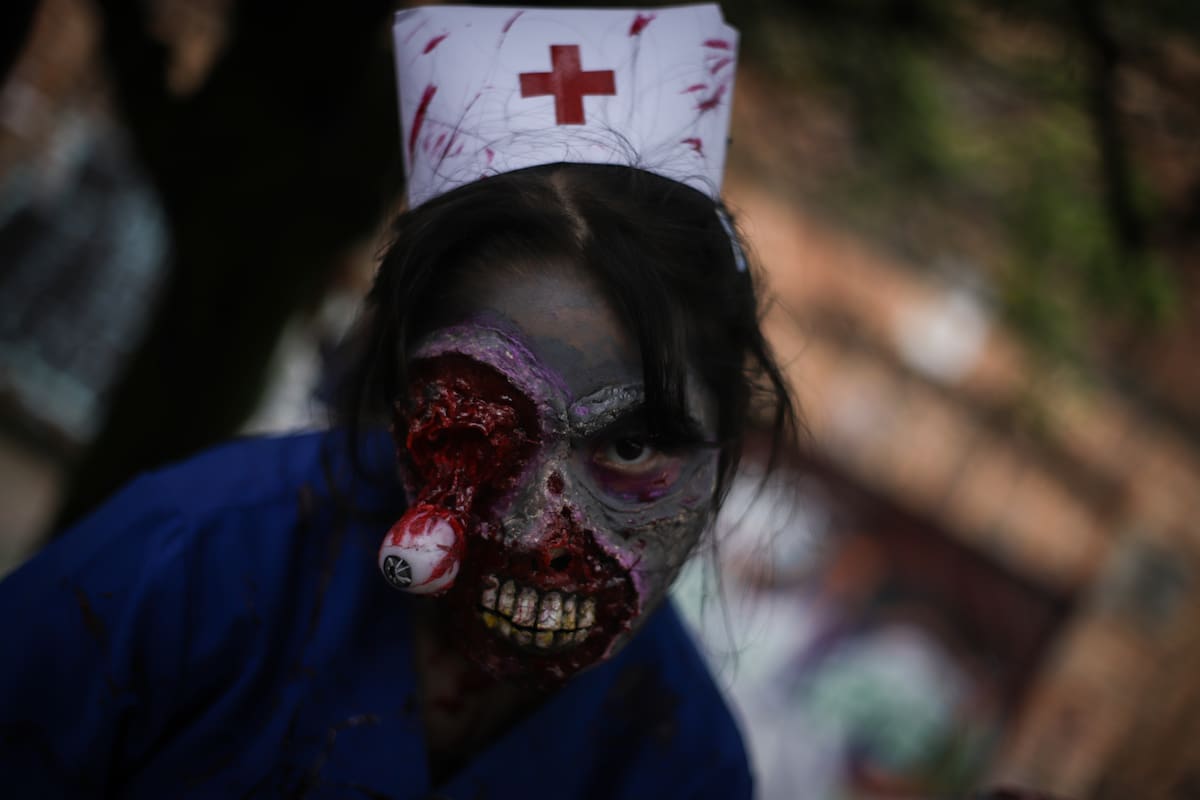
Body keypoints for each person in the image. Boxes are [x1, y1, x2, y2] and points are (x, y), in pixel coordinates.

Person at [0, 7, 798, 796]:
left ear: (727, 442)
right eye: (476, 428)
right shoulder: (175, 571)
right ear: (398, 393)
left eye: (631, 447)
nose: (534, 530)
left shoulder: (682, 762)